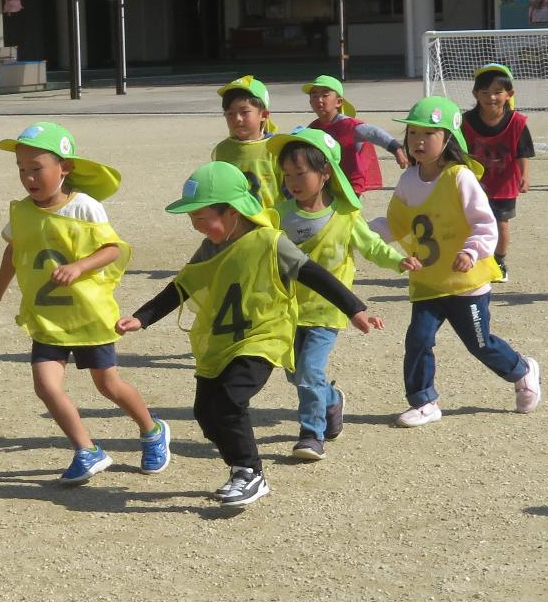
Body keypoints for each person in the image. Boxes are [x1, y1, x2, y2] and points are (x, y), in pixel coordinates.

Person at [117, 161, 379, 508]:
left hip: (264, 336)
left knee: (229, 402)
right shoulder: (211, 247)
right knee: (206, 412)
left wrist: (355, 308)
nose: (196, 226)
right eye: (191, 219)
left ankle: (249, 473)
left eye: (202, 217)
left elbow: (314, 274)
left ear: (233, 211)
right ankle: (241, 465)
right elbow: (181, 286)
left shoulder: (271, 242)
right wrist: (142, 318)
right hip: (222, 340)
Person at [0, 122, 171, 484]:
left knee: (107, 384)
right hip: (48, 317)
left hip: (88, 314)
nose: (28, 178)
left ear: (65, 168)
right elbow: (13, 250)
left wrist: (79, 266)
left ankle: (152, 429)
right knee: (45, 385)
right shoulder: (21, 212)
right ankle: (87, 449)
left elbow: (113, 249)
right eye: (21, 170)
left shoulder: (85, 207)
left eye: (37, 169)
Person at [372, 96, 541, 425]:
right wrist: (360, 236)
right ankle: (424, 402)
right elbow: (396, 224)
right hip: (428, 279)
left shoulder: (460, 177)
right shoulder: (408, 180)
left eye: (428, 134)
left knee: (480, 344)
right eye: (413, 133)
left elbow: (484, 224)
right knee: (418, 339)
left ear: (447, 138)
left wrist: (471, 251)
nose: (418, 141)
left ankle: (522, 370)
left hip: (466, 283)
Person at [268, 127, 418, 461]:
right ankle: (332, 399)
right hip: (288, 310)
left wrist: (397, 260)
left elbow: (372, 245)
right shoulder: (278, 214)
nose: (292, 180)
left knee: (308, 373)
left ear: (325, 173)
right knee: (296, 374)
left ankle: (311, 434)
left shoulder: (345, 215)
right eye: (287, 174)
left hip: (327, 311)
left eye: (300, 173)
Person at [462, 64, 536, 282]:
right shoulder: (466, 121)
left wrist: (525, 175)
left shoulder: (517, 123)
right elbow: (458, 150)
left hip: (504, 183)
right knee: (470, 222)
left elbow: (524, 152)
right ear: (476, 94)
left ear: (509, 94)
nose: (491, 97)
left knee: (501, 223)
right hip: (474, 183)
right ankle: (472, 258)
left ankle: (499, 261)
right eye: (485, 92)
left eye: (497, 92)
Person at [301, 74, 406, 192]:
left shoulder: (349, 126)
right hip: (328, 183)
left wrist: (396, 149)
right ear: (310, 102)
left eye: (325, 95)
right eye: (314, 95)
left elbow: (374, 133)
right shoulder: (313, 128)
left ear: (339, 102)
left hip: (350, 184)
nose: (319, 100)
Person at [211, 74, 281, 219]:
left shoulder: (276, 147)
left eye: (244, 112)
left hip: (270, 223)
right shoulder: (222, 150)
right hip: (234, 225)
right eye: (230, 113)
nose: (237, 119)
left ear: (264, 115)